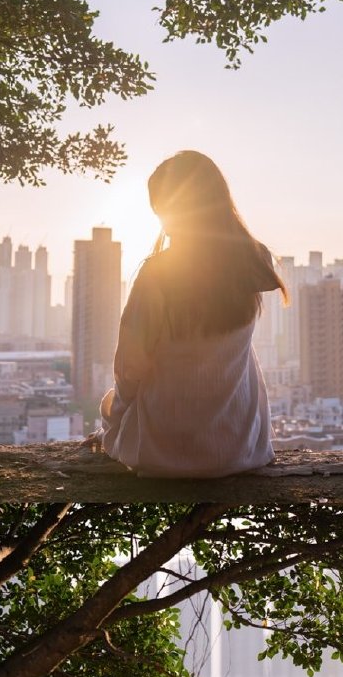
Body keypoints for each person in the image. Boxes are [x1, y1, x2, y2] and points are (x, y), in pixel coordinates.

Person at [99, 151, 287, 477]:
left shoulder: (157, 274)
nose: (163, 223)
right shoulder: (255, 261)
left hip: (161, 452)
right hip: (239, 449)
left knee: (108, 403)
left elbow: (129, 369)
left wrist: (116, 419)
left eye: (163, 211)